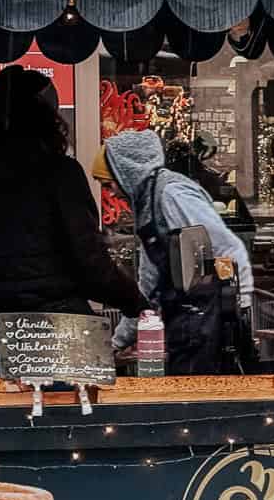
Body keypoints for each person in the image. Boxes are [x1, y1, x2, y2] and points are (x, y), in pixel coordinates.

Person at [0, 65, 148, 374]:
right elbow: (89, 261)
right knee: (76, 417)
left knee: (12, 417)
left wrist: (6, 290)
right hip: (65, 325)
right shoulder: (60, 173)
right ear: (48, 118)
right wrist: (134, 301)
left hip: (5, 324)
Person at [96, 128, 255, 374]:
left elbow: (227, 248)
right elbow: (149, 282)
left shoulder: (171, 194)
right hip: (185, 323)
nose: (110, 193)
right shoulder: (148, 202)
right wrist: (118, 341)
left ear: (126, 172)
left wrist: (239, 310)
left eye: (109, 183)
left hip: (206, 322)